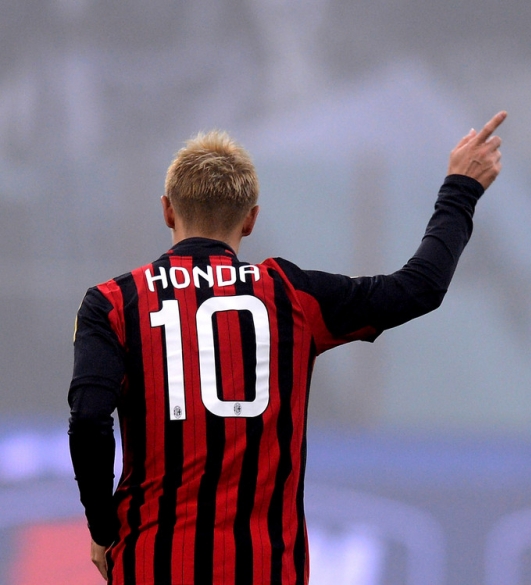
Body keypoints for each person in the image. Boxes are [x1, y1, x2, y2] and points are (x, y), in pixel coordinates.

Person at [68, 110, 506, 585]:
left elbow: (89, 419)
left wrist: (103, 527)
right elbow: (419, 288)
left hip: (153, 563)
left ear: (167, 211)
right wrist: (460, 189)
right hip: (265, 568)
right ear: (251, 220)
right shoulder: (290, 296)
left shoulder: (113, 303)